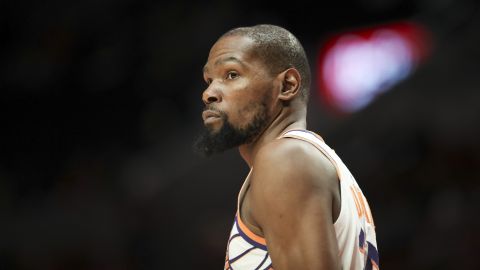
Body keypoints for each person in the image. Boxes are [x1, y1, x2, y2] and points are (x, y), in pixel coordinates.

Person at [194, 24, 379, 270]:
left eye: (231, 74)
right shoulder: (309, 160)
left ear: (287, 85)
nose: (208, 93)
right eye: (209, 79)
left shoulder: (284, 159)